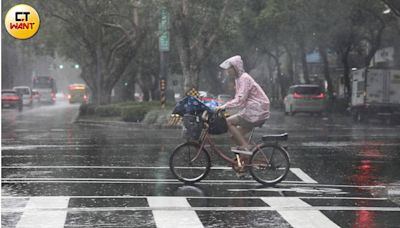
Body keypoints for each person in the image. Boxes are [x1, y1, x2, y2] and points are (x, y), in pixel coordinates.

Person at [216, 55, 270, 152]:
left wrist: (224, 106)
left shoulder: (244, 78)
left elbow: (240, 100)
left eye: (230, 68)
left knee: (228, 122)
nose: (228, 71)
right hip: (253, 110)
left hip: (256, 110)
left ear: (236, 67)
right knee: (234, 137)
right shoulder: (239, 79)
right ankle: (249, 157)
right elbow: (240, 100)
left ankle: (246, 146)